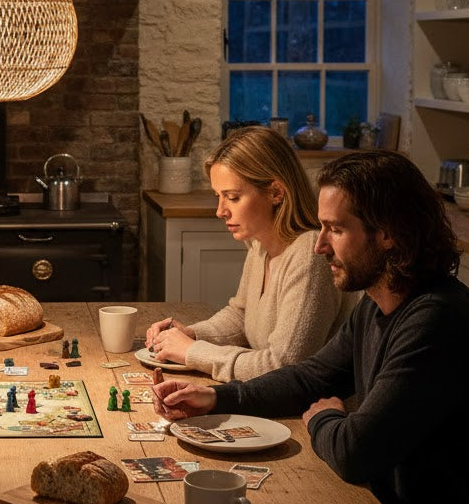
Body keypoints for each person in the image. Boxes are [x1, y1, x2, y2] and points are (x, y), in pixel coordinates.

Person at [155, 150, 469, 504]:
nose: (319, 245)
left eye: (337, 229)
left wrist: (325, 420)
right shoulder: (379, 301)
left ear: (389, 234)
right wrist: (216, 396)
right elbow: (311, 376)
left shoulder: (436, 320)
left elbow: (354, 452)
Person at [145, 126, 358, 380]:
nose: (220, 211)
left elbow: (283, 367)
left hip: (309, 414)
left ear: (276, 193)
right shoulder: (260, 245)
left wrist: (192, 351)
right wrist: (192, 334)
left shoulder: (309, 255)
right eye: (218, 196)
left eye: (233, 197)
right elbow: (242, 314)